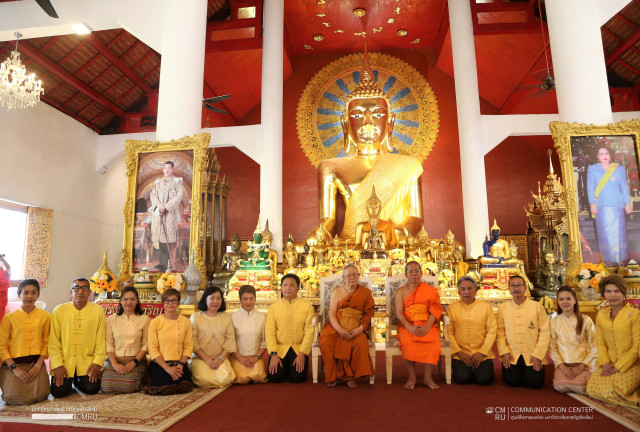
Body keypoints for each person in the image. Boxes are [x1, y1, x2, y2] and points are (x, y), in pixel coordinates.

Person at [586, 275, 640, 407]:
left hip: (631, 364)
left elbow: (637, 347)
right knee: (591, 389)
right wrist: (605, 364)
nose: (613, 295)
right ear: (603, 294)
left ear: (624, 293)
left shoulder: (635, 314)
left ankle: (635, 401)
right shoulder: (601, 315)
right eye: (608, 291)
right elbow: (601, 343)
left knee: (615, 388)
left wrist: (618, 367)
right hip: (608, 363)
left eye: (617, 291)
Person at [318, 265, 375, 388]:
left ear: (359, 276)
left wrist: (360, 329)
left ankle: (351, 376)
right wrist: (339, 329)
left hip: (356, 327)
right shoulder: (337, 292)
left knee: (360, 343)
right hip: (335, 326)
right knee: (326, 341)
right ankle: (332, 375)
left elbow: (369, 313)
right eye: (348, 275)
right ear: (343, 277)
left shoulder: (365, 293)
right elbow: (331, 314)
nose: (352, 277)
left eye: (354, 274)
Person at [49, 278, 106, 397]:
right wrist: (57, 365)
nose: (80, 292)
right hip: (64, 362)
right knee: (58, 392)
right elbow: (54, 342)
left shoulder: (98, 310)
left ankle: (77, 381)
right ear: (71, 292)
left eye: (84, 288)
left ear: (89, 292)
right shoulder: (59, 310)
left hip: (87, 361)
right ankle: (71, 380)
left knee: (92, 389)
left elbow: (101, 341)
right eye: (76, 288)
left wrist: (97, 363)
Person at [0, 279, 50, 405]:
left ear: (38, 294)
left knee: (42, 394)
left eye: (33, 293)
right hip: (13, 364)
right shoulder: (9, 318)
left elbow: (47, 342)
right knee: (12, 397)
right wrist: (15, 368)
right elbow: (1, 346)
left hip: (35, 363)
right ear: (19, 295)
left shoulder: (45, 316)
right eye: (26, 293)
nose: (29, 296)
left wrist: (38, 366)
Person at [395, 261, 443, 390]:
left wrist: (427, 326)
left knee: (433, 343)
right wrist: (409, 327)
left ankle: (428, 377)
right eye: (410, 271)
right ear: (406, 274)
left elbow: (435, 310)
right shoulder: (400, 291)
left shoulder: (430, 291)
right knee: (408, 344)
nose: (414, 274)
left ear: (421, 273)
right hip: (407, 325)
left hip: (426, 323)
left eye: (416, 271)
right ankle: (412, 377)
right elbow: (399, 313)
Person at [496, 275, 550, 389]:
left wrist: (538, 355)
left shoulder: (537, 306)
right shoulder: (503, 308)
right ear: (509, 289)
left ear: (525, 288)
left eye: (519, 285)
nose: (516, 288)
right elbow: (500, 332)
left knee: (535, 383)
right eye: (513, 286)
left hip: (532, 353)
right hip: (512, 354)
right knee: (511, 381)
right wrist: (504, 352)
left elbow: (545, 332)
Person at [446, 276, 496, 386]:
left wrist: (482, 352)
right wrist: (459, 352)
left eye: (470, 288)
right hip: (461, 353)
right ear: (459, 291)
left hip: (482, 352)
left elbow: (492, 331)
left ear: (476, 291)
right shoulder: (451, 308)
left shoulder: (486, 307)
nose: (466, 292)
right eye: (463, 289)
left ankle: (481, 369)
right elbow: (449, 332)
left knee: (484, 380)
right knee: (463, 378)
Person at [587, 145, 632, 265]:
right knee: (605, 233)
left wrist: (627, 203)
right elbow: (590, 188)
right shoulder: (592, 169)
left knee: (619, 232)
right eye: (601, 154)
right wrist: (592, 203)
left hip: (617, 205)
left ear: (610, 155)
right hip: (601, 205)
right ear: (597, 157)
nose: (604, 156)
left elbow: (624, 187)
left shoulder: (619, 169)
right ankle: (607, 259)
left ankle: (620, 258)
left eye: (606, 153)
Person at [265, 274, 314, 383]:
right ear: (281, 288)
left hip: (298, 348)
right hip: (279, 348)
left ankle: (289, 368)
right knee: (274, 378)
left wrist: (302, 354)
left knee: (298, 378)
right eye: (285, 285)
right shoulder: (274, 307)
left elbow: (309, 332)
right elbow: (269, 332)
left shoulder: (307, 306)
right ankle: (285, 367)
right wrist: (273, 354)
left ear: (298, 288)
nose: (288, 288)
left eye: (291, 285)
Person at [102, 286, 150, 393]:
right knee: (106, 386)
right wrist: (114, 364)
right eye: (125, 299)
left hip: (136, 361)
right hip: (114, 361)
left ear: (137, 301)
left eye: (132, 299)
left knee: (128, 386)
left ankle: (140, 379)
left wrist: (133, 363)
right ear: (120, 301)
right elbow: (108, 343)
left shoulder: (145, 319)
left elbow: (146, 345)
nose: (129, 302)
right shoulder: (111, 319)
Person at [549, 286, 597, 394]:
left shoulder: (586, 320)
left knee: (582, 387)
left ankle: (586, 376)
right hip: (564, 364)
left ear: (574, 300)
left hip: (583, 363)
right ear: (558, 301)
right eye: (561, 299)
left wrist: (581, 366)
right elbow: (552, 348)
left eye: (568, 299)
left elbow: (595, 346)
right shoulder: (554, 321)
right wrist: (562, 366)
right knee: (560, 386)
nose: (565, 302)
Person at [147, 288, 193, 395]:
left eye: (174, 300)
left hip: (179, 364)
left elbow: (188, 346)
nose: (170, 303)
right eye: (167, 300)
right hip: (160, 364)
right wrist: (167, 368)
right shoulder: (155, 322)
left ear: (178, 303)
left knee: (185, 386)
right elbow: (152, 349)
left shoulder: (185, 322)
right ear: (163, 303)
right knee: (163, 387)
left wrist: (181, 365)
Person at [191, 286, 237, 388]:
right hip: (200, 358)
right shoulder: (196, 317)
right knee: (203, 380)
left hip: (220, 358)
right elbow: (192, 341)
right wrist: (207, 359)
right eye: (212, 298)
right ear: (205, 299)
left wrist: (220, 358)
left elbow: (230, 340)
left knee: (226, 379)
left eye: (218, 298)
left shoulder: (226, 318)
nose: (215, 301)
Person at [150, 160, 183, 272]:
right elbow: (153, 195)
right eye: (165, 168)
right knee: (159, 240)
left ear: (172, 169)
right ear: (163, 169)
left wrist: (166, 206)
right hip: (159, 213)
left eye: (169, 168)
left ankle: (166, 264)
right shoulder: (158, 182)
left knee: (167, 240)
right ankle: (161, 263)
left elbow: (178, 197)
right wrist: (158, 205)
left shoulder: (177, 182)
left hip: (168, 214)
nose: (167, 170)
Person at [230, 285, 267, 384]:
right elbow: (230, 341)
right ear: (240, 300)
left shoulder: (262, 317)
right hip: (238, 357)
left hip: (255, 357)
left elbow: (265, 341)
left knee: (259, 377)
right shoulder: (233, 317)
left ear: (255, 300)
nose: (248, 302)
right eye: (245, 299)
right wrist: (239, 357)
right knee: (241, 378)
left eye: (251, 299)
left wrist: (256, 357)